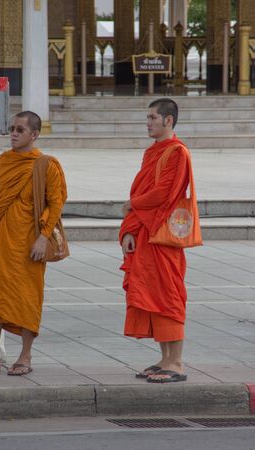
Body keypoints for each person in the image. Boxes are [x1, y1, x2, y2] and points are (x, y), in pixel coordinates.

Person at [0, 111, 67, 376]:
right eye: (12, 128)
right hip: (0, 241)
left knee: (27, 299)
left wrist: (43, 238)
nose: (13, 134)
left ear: (34, 134)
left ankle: (25, 356)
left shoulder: (46, 165)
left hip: (29, 244)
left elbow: (56, 204)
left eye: (20, 130)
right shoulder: (5, 161)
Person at [120, 98, 194, 383]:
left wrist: (131, 204)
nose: (148, 122)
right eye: (147, 118)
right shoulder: (154, 151)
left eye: (153, 117)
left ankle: (176, 362)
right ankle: (165, 358)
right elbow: (145, 190)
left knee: (169, 295)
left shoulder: (177, 152)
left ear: (168, 121)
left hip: (163, 235)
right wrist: (130, 229)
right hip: (147, 232)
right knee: (152, 294)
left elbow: (163, 193)